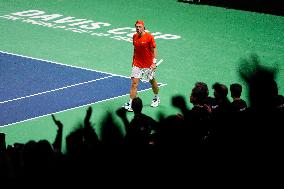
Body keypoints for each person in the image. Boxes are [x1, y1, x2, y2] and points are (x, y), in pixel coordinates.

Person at [124, 20, 160, 112]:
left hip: (148, 65)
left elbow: (154, 50)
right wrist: (133, 62)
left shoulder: (149, 37)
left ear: (144, 27)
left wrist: (154, 63)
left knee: (152, 81)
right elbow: (135, 50)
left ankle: (156, 97)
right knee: (134, 83)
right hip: (137, 64)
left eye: (140, 26)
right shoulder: (134, 36)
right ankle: (131, 103)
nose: (138, 28)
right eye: (136, 26)